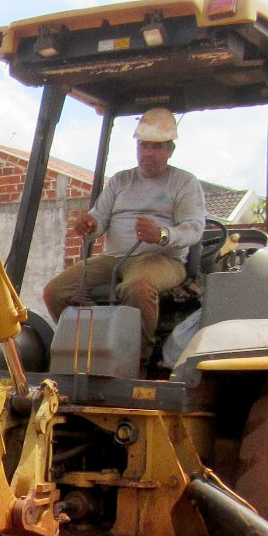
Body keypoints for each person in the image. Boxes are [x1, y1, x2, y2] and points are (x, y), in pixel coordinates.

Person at [41, 107, 207, 360]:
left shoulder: (184, 183)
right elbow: (100, 217)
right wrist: (90, 225)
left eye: (156, 147)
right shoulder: (120, 181)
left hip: (163, 260)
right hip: (113, 258)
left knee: (137, 288)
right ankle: (86, 352)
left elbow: (193, 228)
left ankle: (135, 361)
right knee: (56, 291)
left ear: (170, 151)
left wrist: (161, 234)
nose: (148, 153)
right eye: (143, 146)